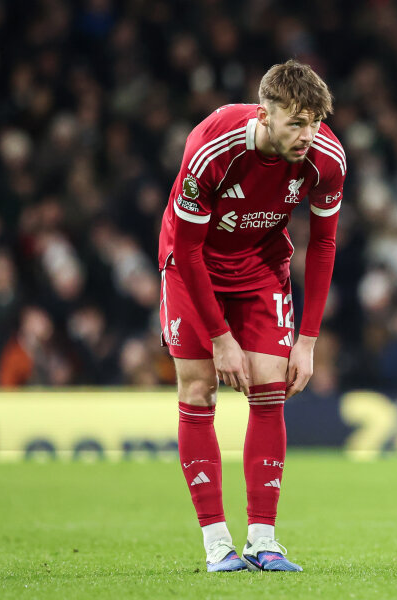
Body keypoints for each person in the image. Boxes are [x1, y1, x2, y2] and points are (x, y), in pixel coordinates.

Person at [157, 60, 345, 572]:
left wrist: (307, 341)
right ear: (265, 115)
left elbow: (323, 245)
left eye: (315, 122)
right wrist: (220, 338)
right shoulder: (212, 146)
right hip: (193, 267)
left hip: (261, 267)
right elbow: (187, 248)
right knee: (199, 389)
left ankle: (264, 540)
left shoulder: (326, 158)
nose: (308, 135)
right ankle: (217, 543)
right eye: (296, 123)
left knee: (270, 388)